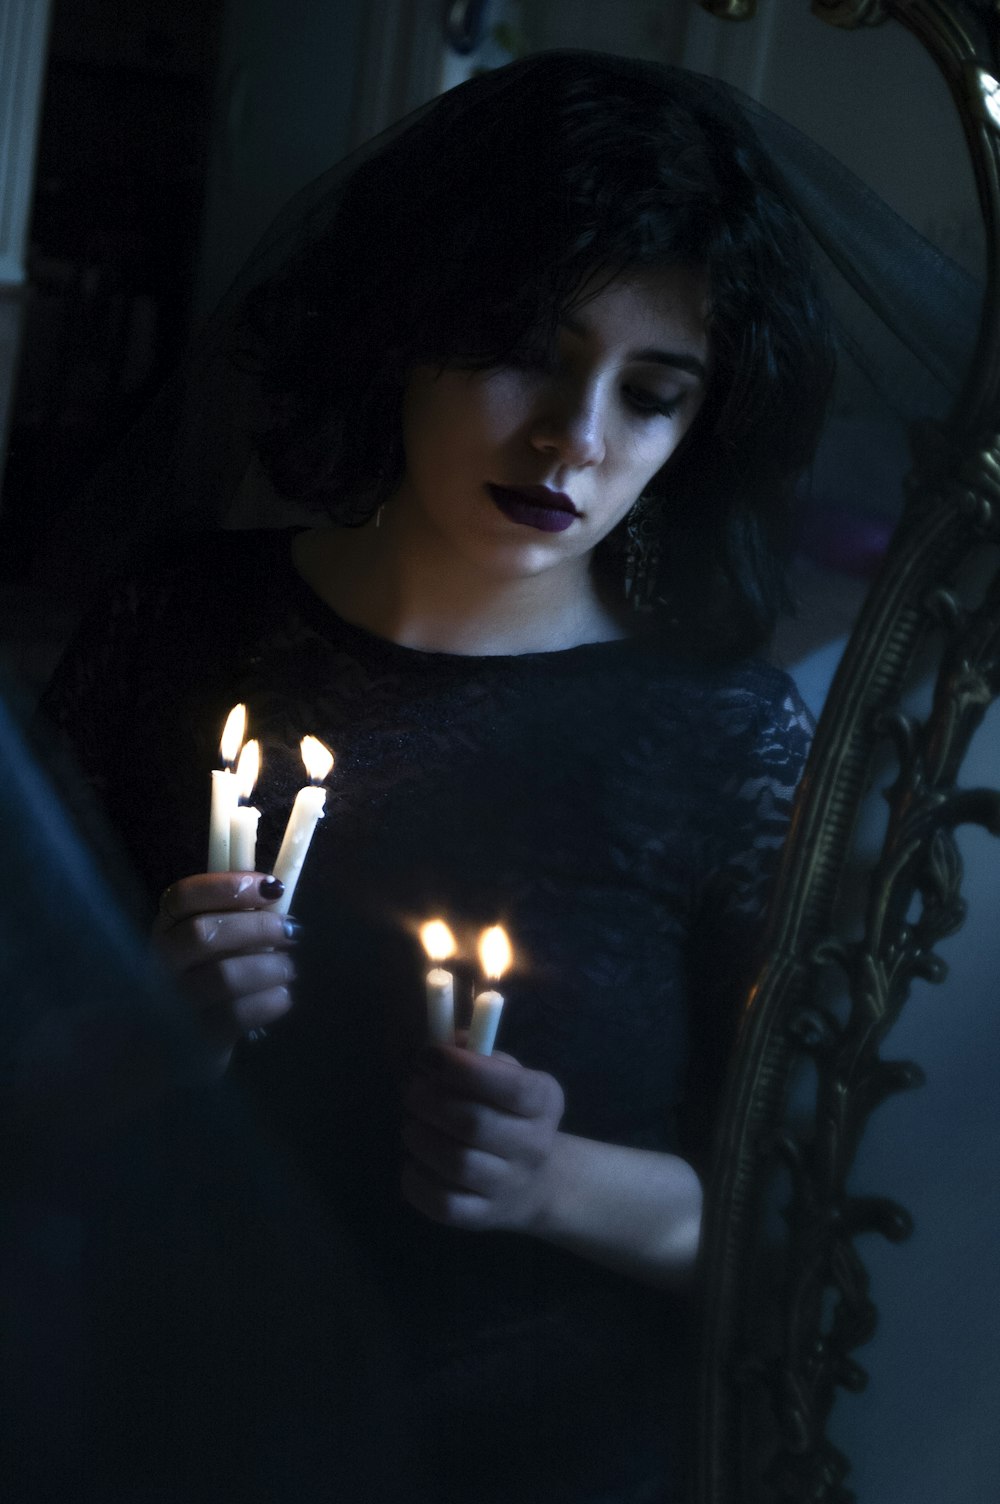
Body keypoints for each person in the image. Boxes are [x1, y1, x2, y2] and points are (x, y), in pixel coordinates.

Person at [36, 50, 975, 1504]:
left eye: (651, 394)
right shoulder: (175, 631)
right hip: (168, 1428)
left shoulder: (719, 741)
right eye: (526, 348)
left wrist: (557, 1186)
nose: (574, 440)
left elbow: (816, 1226)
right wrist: (145, 1044)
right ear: (400, 328)